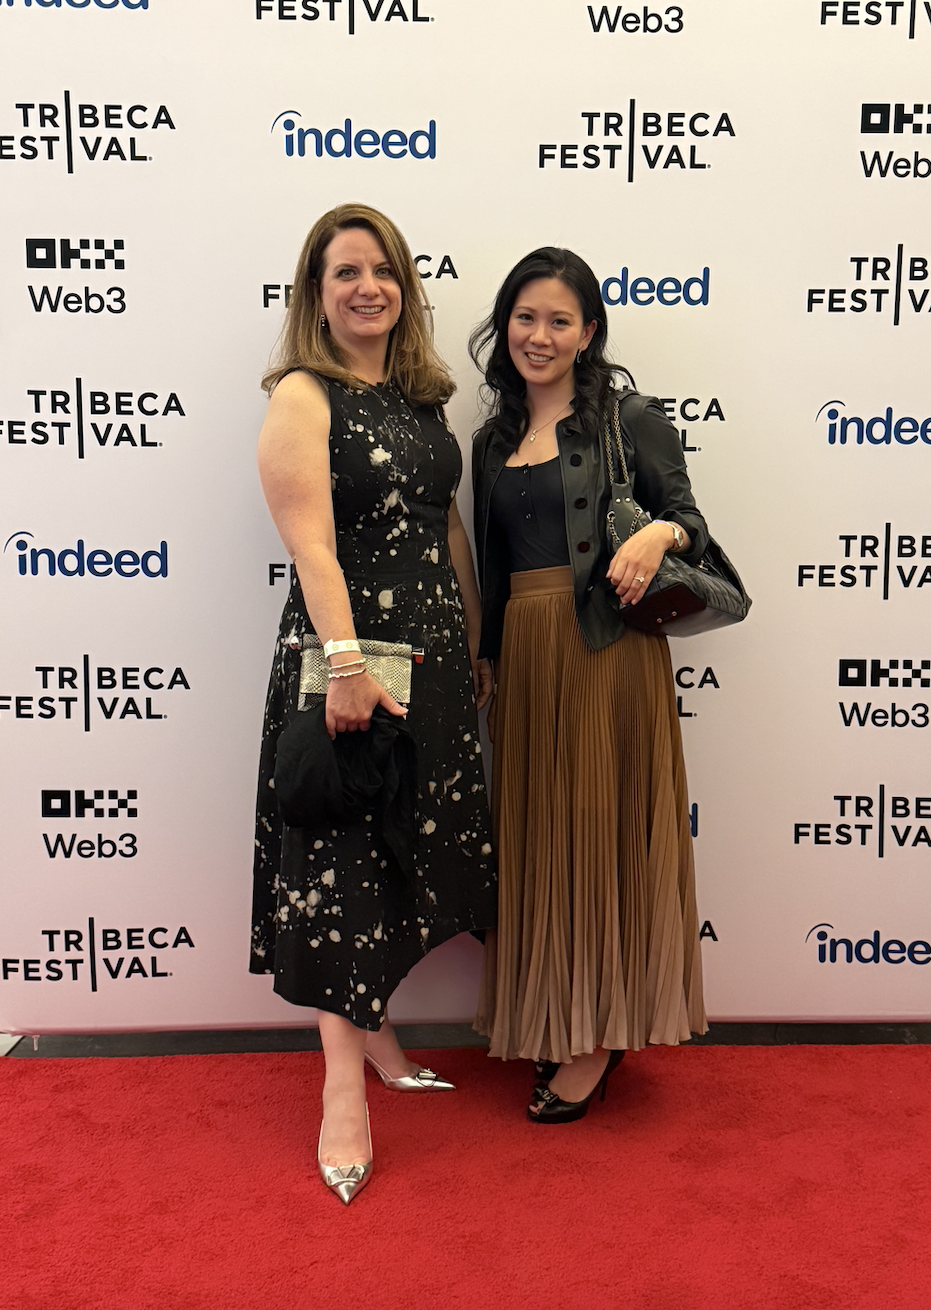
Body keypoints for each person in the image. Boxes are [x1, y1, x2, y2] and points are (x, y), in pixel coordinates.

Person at [252, 203, 497, 1203]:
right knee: (344, 860)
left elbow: (448, 533)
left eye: (384, 269)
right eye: (346, 271)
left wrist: (473, 643)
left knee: (404, 852)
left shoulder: (419, 401)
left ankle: (382, 1036)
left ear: (406, 287)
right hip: (351, 658)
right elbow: (311, 542)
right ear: (316, 294)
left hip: (430, 661)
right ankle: (342, 1091)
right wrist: (347, 663)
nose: (368, 287)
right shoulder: (302, 395)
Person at [469, 247, 707, 1123]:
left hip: (609, 652)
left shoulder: (630, 419)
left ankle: (600, 1037)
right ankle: (556, 1013)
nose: (539, 336)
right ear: (506, 327)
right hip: (528, 660)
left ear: (589, 332)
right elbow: (492, 567)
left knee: (601, 833)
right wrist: (487, 656)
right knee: (541, 838)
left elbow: (692, 524)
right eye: (525, 318)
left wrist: (657, 537)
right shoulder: (490, 440)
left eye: (559, 320)